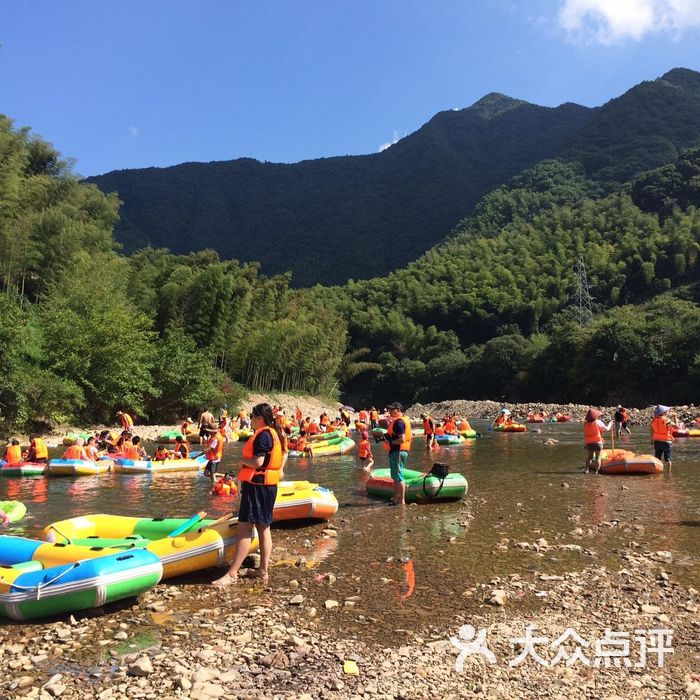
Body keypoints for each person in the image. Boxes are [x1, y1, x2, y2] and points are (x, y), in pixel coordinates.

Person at [212, 402, 286, 587]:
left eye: (252, 417)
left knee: (244, 528)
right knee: (264, 527)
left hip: (257, 487)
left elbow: (259, 461)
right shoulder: (274, 433)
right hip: (268, 486)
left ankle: (232, 573)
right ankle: (263, 570)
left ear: (259, 419)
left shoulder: (263, 436)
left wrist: (242, 460)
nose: (250, 420)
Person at [383, 402, 412, 505]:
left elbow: (402, 439)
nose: (390, 411)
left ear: (398, 410)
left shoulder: (399, 422)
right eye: (389, 409)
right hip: (396, 452)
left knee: (399, 476)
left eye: (392, 409)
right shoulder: (397, 421)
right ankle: (395, 499)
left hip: (399, 452)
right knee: (395, 476)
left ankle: (401, 501)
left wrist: (390, 442)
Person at [583, 408, 613, 474]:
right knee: (598, 457)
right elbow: (607, 429)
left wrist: (585, 444)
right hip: (597, 442)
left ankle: (586, 470)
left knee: (590, 457)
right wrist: (610, 424)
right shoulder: (598, 422)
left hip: (589, 443)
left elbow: (585, 434)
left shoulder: (585, 424)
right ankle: (596, 472)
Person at [650, 405, 678, 471]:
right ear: (663, 412)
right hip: (666, 442)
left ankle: (656, 471)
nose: (668, 412)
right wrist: (675, 417)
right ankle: (669, 473)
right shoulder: (667, 420)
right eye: (667, 411)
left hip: (657, 441)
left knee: (657, 458)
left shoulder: (653, 420)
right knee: (668, 459)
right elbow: (676, 427)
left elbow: (652, 431)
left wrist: (651, 440)